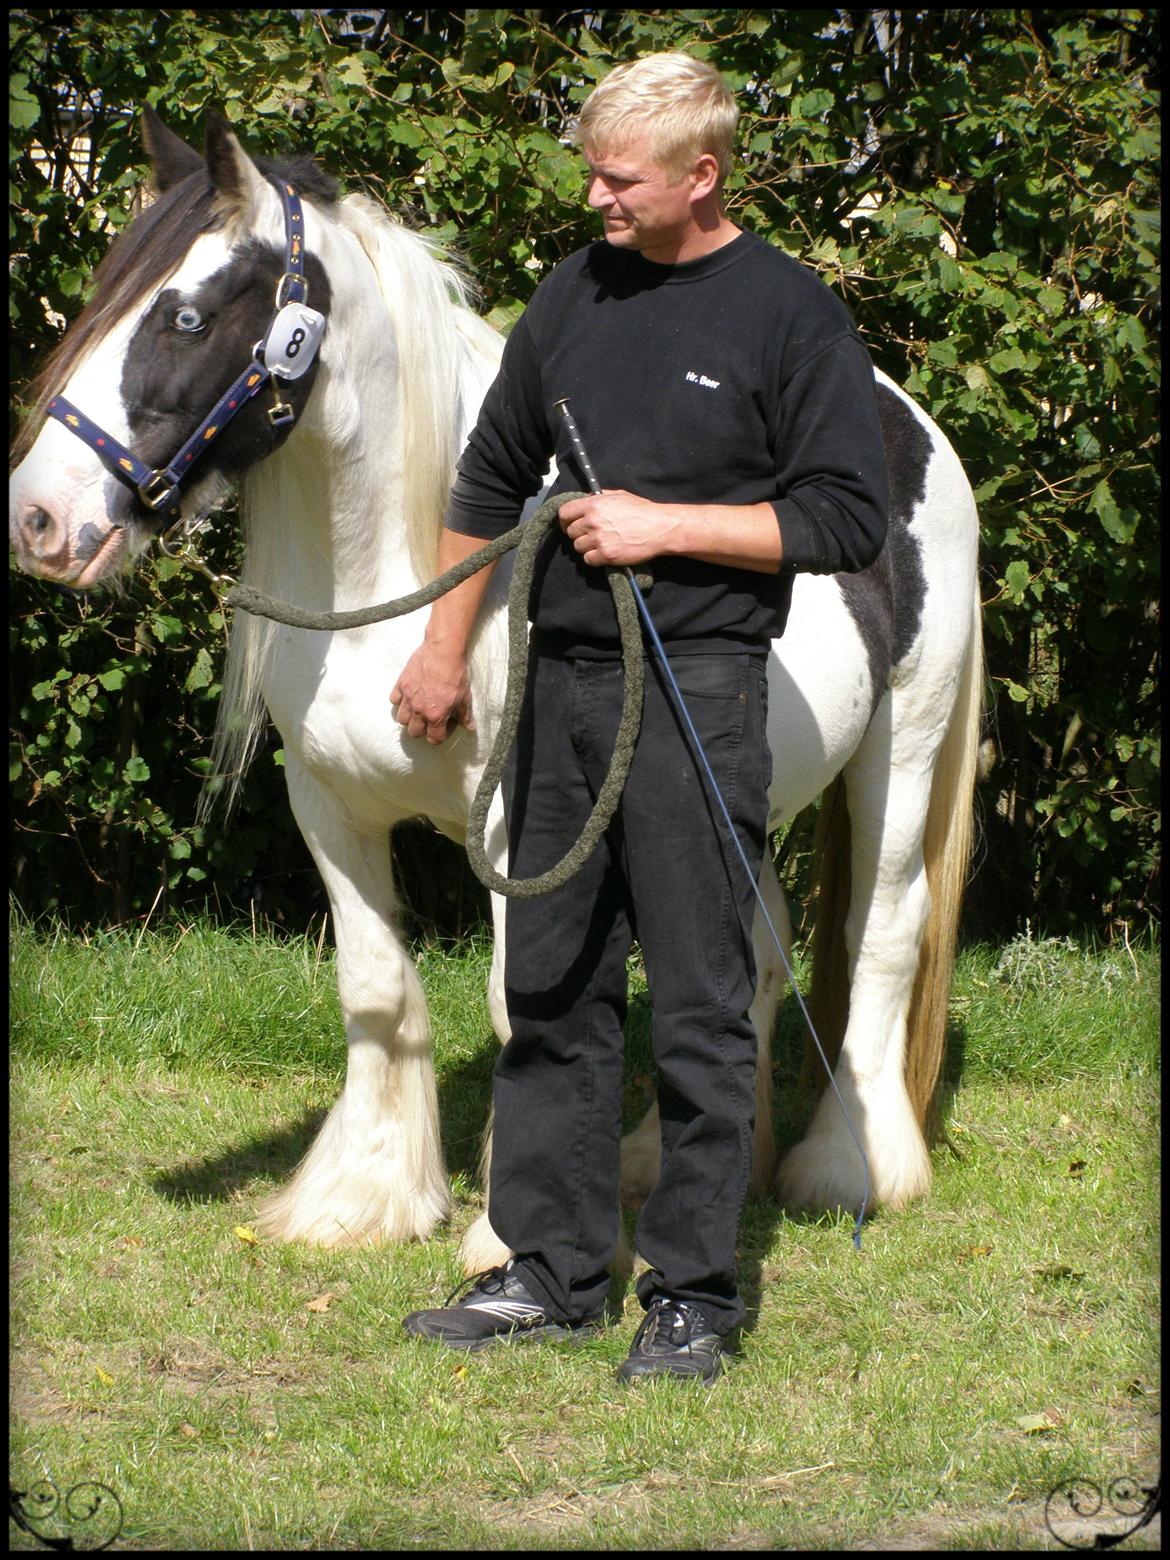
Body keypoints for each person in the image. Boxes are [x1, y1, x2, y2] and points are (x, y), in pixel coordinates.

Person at [393, 52, 888, 1384]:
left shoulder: (789, 317)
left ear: (700, 175)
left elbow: (846, 516)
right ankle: (549, 1274)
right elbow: (490, 477)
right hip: (560, 688)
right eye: (592, 172)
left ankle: (695, 1297)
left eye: (618, 179)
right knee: (546, 987)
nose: (595, 197)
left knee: (698, 1006)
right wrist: (443, 648)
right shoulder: (574, 289)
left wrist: (666, 527)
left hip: (702, 691)